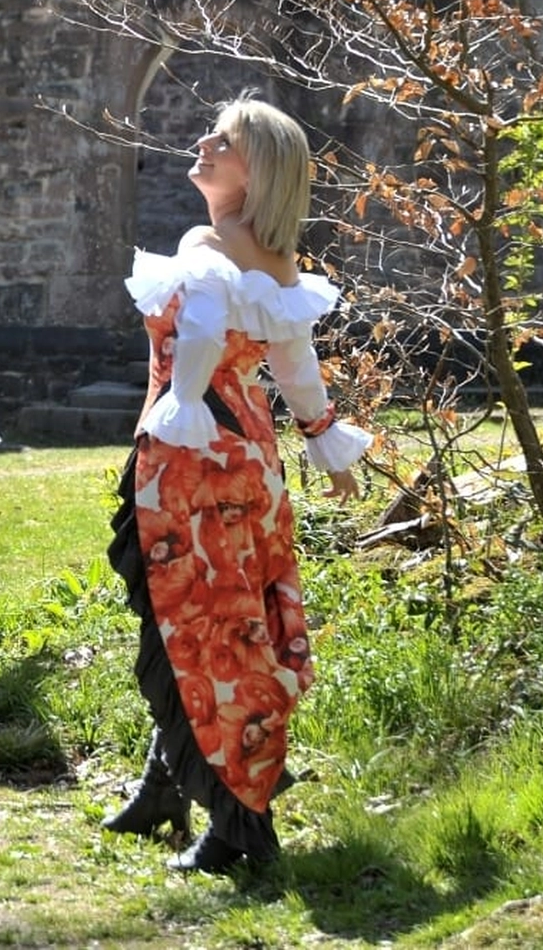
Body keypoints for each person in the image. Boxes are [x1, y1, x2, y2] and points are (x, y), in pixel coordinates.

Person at [103, 92, 371, 873]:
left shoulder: (206, 248)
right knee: (220, 624)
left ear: (258, 173)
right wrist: (325, 441)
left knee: (194, 630)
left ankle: (237, 826)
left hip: (189, 465)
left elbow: (197, 342)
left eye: (222, 141)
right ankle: (164, 784)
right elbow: (294, 368)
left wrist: (184, 402)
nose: (203, 141)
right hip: (250, 462)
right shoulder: (280, 262)